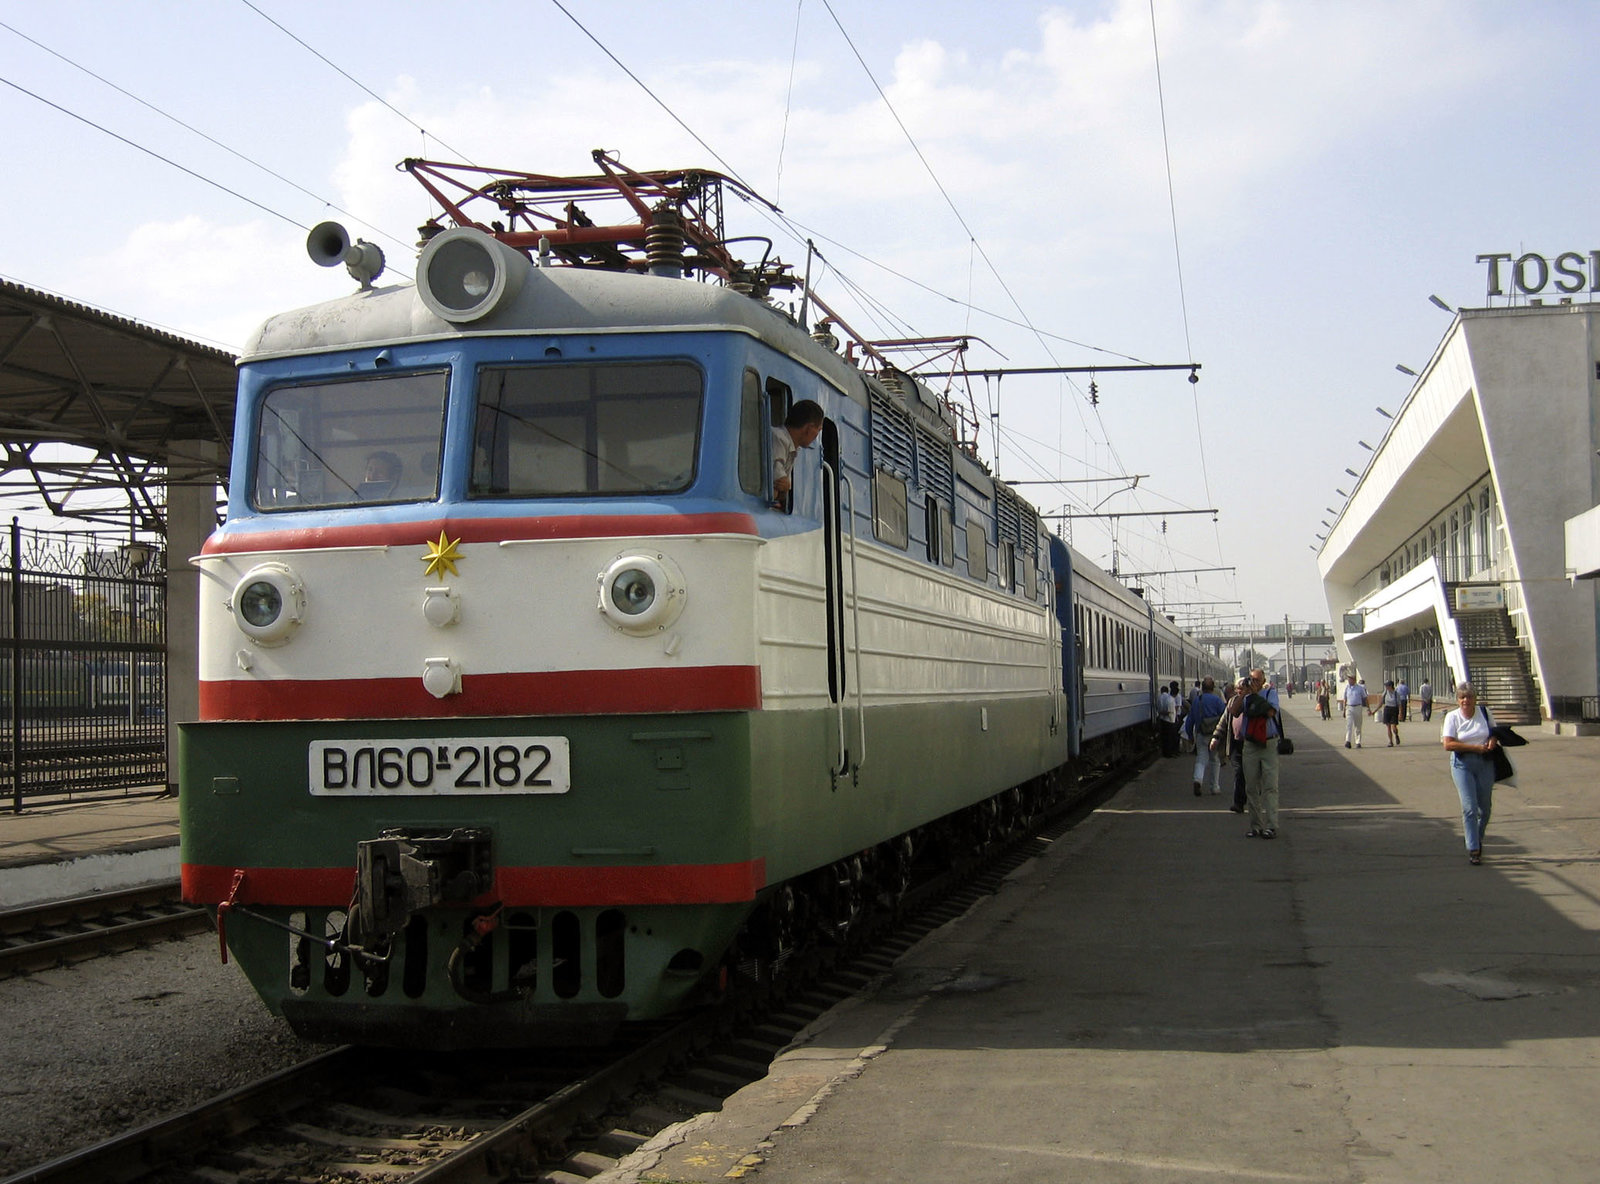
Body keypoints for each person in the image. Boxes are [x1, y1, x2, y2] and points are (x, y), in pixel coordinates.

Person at [1441, 681, 1500, 865]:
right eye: (1462, 697)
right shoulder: (1452, 717)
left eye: (1469, 697)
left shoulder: (1484, 712)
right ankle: (1473, 848)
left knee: (1485, 809)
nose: (1465, 700)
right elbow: (1448, 744)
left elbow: (1494, 732)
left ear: (1475, 699)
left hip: (1485, 763)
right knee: (1469, 808)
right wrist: (1475, 748)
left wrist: (1492, 740)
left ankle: (1477, 837)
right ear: (1458, 700)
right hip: (1462, 764)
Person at [1238, 668, 1282, 838]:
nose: (1254, 683)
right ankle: (1256, 825)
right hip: (1250, 745)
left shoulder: (1270, 693)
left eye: (1257, 680)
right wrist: (1243, 694)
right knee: (1251, 787)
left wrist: (1255, 695)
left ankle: (1271, 826)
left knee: (1270, 786)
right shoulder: (1246, 697)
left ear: (1263, 680)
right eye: (1251, 679)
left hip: (1269, 743)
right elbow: (1233, 711)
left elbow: (1271, 712)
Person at [772, 400, 825, 509]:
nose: (816, 436)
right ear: (809, 428)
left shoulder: (791, 448)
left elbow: (783, 491)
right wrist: (784, 487)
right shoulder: (778, 438)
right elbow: (777, 481)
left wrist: (784, 488)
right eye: (818, 430)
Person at [1210, 676, 1250, 814]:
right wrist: (1216, 737)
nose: (1239, 691)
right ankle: (1238, 803)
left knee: (1250, 774)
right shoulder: (1232, 702)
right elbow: (1224, 721)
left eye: (1242, 688)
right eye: (1237, 688)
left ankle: (1251, 799)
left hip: (1251, 744)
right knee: (1239, 772)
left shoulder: (1253, 701)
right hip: (1236, 744)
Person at [1184, 677, 1228, 796]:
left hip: (1201, 733)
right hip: (1215, 735)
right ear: (1213, 688)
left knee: (1201, 759)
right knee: (1215, 760)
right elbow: (1224, 717)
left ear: (1202, 688)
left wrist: (1190, 735)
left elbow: (1190, 720)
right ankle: (1214, 787)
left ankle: (1197, 779)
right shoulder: (1217, 700)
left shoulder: (1197, 701)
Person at [1343, 672, 1368, 748]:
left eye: (1350, 679)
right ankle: (1348, 741)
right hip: (1349, 707)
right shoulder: (1347, 688)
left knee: (1358, 725)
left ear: (1354, 680)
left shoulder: (1360, 688)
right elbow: (1345, 699)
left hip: (1358, 707)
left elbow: (1365, 698)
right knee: (1349, 725)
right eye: (1348, 679)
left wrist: (1368, 708)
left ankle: (1358, 742)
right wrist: (1344, 709)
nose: (1349, 680)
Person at [1380, 680, 1402, 746]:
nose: (1386, 687)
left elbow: (1399, 704)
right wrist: (1374, 711)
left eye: (1387, 686)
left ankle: (1396, 734)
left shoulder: (1396, 694)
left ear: (1391, 686)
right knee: (1388, 727)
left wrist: (1400, 713)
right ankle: (1390, 741)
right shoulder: (1385, 693)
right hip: (1387, 709)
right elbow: (1381, 702)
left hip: (1394, 709)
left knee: (1394, 727)